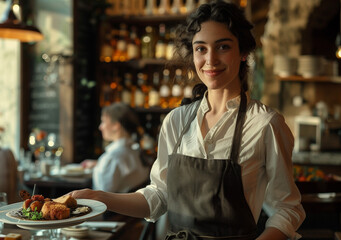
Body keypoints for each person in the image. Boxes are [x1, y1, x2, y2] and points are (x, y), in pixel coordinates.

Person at [71, 1, 305, 239]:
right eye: (201, 49)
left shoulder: (265, 124)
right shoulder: (177, 120)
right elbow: (159, 196)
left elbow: (288, 208)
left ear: (243, 52)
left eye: (223, 46)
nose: (210, 60)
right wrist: (100, 197)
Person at [80, 102, 150, 193]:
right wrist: (99, 164)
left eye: (103, 122)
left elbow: (102, 196)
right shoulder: (134, 150)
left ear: (116, 125)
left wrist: (103, 164)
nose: (100, 127)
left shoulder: (113, 157)